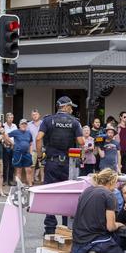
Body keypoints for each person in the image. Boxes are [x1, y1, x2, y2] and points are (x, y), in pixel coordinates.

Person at [36, 96, 84, 235]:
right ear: (66, 106)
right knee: (67, 194)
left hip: (52, 161)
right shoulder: (74, 122)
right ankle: (65, 227)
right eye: (71, 107)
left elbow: (38, 138)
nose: (72, 109)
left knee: (50, 193)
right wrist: (81, 157)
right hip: (68, 164)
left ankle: (50, 228)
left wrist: (40, 156)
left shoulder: (48, 120)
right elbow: (81, 141)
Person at [71, 169, 126, 253]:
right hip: (97, 239)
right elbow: (110, 227)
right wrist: (118, 224)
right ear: (112, 182)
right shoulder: (109, 196)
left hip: (78, 238)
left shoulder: (86, 191)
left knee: (87, 246)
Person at [5, 118, 34, 186]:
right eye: (22, 124)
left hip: (27, 154)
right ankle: (19, 186)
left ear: (27, 125)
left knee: (29, 170)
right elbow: (6, 135)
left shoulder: (29, 133)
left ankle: (30, 185)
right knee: (18, 170)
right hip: (18, 153)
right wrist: (12, 142)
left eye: (25, 124)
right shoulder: (16, 131)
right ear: (19, 125)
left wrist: (30, 153)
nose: (24, 125)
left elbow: (30, 143)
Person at [27, 110, 42, 182]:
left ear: (39, 115)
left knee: (42, 166)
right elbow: (26, 136)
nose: (35, 116)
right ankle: (31, 181)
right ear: (31, 116)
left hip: (42, 149)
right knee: (32, 166)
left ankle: (43, 182)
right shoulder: (28, 125)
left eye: (36, 114)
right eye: (33, 115)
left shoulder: (43, 124)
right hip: (32, 148)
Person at [3, 113, 17, 185]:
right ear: (6, 118)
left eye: (12, 118)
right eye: (9, 118)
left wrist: (13, 144)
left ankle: (10, 180)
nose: (11, 119)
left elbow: (16, 135)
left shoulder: (14, 126)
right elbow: (3, 136)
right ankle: (4, 180)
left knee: (12, 164)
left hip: (13, 147)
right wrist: (9, 143)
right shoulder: (3, 125)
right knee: (5, 164)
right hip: (5, 146)